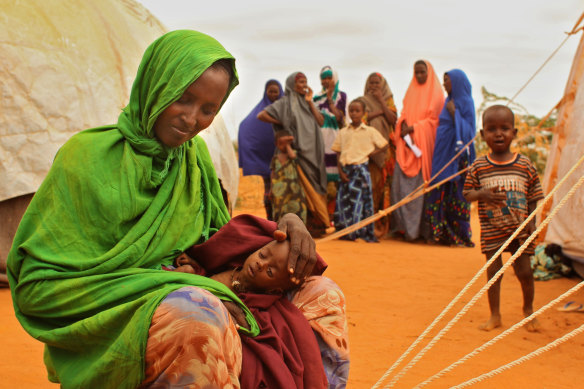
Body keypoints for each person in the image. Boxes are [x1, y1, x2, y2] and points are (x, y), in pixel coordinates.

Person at [7, 30, 349, 389]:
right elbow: (37, 285)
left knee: (322, 294)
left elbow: (218, 245)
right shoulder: (85, 158)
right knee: (197, 314)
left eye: (208, 110)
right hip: (120, 316)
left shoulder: (194, 159)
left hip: (201, 289)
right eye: (183, 99)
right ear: (156, 85)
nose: (191, 120)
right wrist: (179, 284)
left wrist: (286, 223)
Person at [171, 214, 333, 388]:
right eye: (263, 255)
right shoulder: (227, 266)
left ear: (274, 290)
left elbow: (258, 333)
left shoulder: (258, 305)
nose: (260, 264)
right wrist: (194, 270)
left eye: (270, 271)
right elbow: (208, 272)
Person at [463, 105, 544, 332]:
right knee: (493, 272)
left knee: (525, 272)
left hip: (520, 230)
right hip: (492, 229)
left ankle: (528, 310)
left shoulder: (525, 164)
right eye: (492, 129)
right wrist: (482, 194)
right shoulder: (479, 166)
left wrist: (531, 224)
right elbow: (467, 193)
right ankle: (495, 315)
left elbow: (533, 196)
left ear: (514, 133)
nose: (498, 133)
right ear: (482, 135)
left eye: (505, 128)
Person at [257, 72, 330, 237]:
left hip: (314, 152)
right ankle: (306, 226)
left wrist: (310, 102)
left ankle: (319, 226)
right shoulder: (284, 103)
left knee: (317, 184)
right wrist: (283, 121)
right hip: (298, 153)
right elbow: (262, 115)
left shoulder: (308, 102)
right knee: (301, 192)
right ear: (291, 84)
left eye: (305, 81)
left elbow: (320, 121)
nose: (304, 84)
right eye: (300, 82)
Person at [391, 60, 444, 241]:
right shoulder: (411, 91)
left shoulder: (436, 94)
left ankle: (419, 232)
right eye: (417, 73)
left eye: (422, 72)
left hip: (422, 149)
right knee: (399, 190)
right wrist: (403, 125)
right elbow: (404, 112)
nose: (419, 76)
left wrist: (414, 128)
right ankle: (403, 230)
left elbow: (434, 122)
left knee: (419, 192)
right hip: (406, 148)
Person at [424, 69, 476, 246]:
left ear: (458, 82)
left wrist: (455, 114)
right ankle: (442, 233)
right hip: (442, 152)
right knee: (440, 190)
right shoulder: (448, 101)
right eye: (444, 80)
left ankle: (459, 235)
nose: (445, 84)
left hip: (456, 154)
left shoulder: (466, 102)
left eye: (448, 80)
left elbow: (470, 131)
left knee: (456, 193)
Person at [332, 99, 388, 242]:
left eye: (357, 111)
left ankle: (361, 232)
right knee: (344, 201)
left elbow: (384, 145)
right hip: (346, 170)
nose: (354, 113)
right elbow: (338, 152)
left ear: (363, 113)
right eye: (351, 111)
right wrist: (340, 171)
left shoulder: (369, 131)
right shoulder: (343, 132)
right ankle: (345, 232)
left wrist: (370, 154)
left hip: (361, 170)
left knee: (361, 202)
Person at [238, 79, 284, 220]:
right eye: (270, 91)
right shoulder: (261, 110)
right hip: (266, 162)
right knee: (269, 191)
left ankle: (285, 220)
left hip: (285, 159)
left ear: (280, 91)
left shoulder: (285, 109)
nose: (273, 94)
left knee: (285, 191)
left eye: (275, 91)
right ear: (265, 92)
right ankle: (270, 220)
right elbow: (245, 126)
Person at [362, 72, 398, 237]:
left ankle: (384, 225)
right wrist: (378, 112)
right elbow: (362, 119)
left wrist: (381, 102)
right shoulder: (363, 101)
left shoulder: (388, 100)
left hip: (386, 152)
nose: (374, 86)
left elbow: (392, 119)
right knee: (372, 186)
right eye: (371, 83)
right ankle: (370, 224)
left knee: (385, 187)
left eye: (377, 83)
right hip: (369, 152)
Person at [313, 66, 347, 220]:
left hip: (336, 142)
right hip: (320, 142)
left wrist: (330, 98)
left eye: (329, 77)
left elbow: (339, 117)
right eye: (324, 78)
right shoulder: (315, 98)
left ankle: (335, 217)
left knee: (337, 183)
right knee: (322, 183)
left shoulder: (341, 96)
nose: (326, 81)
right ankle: (324, 218)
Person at [270, 132, 307, 223]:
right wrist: (271, 189)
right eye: (280, 144)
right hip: (279, 191)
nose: (283, 146)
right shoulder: (275, 158)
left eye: (285, 144)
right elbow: (273, 173)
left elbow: (292, 156)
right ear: (276, 144)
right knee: (280, 211)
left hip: (294, 190)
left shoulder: (293, 154)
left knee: (297, 210)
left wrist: (287, 144)